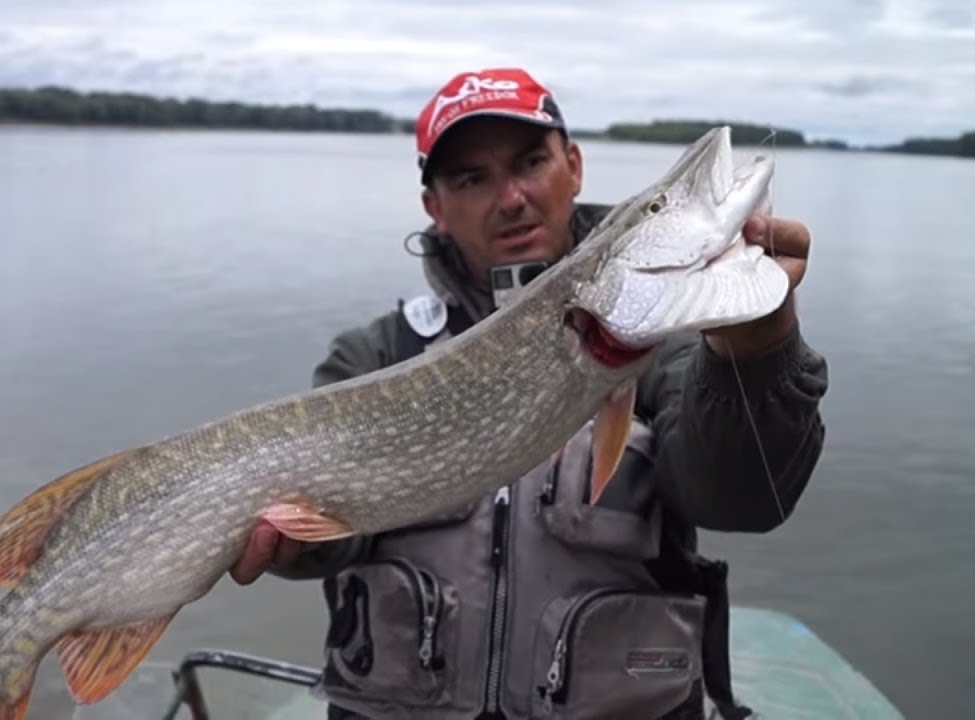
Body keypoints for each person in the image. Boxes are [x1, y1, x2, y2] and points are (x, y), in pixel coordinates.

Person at [231, 68, 829, 720]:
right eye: (472, 178)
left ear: (573, 166)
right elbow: (334, 537)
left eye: (531, 162)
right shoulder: (376, 357)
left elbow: (745, 498)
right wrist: (295, 543)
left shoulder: (675, 349)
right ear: (434, 205)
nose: (512, 196)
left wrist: (757, 349)